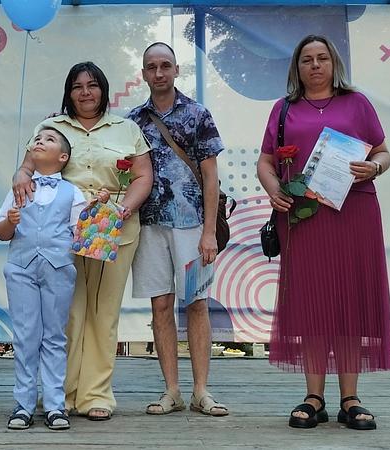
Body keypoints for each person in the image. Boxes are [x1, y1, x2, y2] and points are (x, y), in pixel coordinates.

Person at [257, 34, 390, 430]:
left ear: (334, 63)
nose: (315, 65)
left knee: (349, 300)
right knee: (312, 303)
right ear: (297, 68)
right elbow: (265, 162)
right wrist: (274, 190)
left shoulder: (358, 103)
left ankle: (350, 398)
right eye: (307, 59)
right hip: (304, 217)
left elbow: (383, 152)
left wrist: (375, 167)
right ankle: (313, 397)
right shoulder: (283, 109)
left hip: (355, 214)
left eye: (322, 58)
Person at [13, 62, 153, 420]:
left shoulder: (127, 128)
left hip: (113, 227)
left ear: (103, 89)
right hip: (62, 231)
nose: (85, 92)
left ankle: (96, 396)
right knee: (67, 314)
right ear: (68, 92)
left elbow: (142, 177)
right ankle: (61, 394)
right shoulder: (52, 128)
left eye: (92, 85)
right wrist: (20, 175)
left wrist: (124, 209)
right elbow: (28, 167)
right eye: (77, 86)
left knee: (103, 313)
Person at [127, 42, 228, 417]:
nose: (159, 72)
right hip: (149, 225)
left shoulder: (198, 114)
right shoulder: (133, 121)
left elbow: (211, 177)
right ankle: (172, 390)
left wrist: (209, 231)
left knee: (197, 303)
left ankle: (201, 390)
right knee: (160, 305)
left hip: (191, 224)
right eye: (151, 66)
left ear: (176, 69)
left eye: (165, 65)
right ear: (143, 73)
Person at [0, 127, 86, 431]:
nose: (40, 141)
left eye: (49, 139)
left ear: (63, 157)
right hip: (20, 268)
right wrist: (10, 222)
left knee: (54, 336)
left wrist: (98, 210)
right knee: (25, 335)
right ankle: (23, 404)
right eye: (37, 138)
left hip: (58, 269)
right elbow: (1, 233)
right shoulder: (19, 189)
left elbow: (83, 234)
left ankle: (54, 404)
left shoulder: (72, 192)